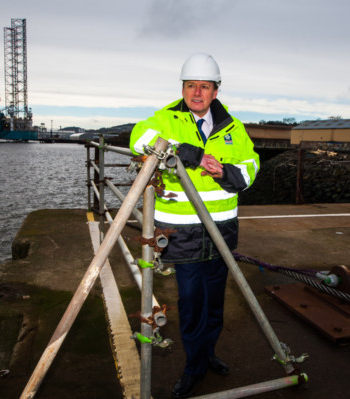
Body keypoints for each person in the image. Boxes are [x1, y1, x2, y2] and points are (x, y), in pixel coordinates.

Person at [130, 53, 260, 398]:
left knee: (215, 302)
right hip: (182, 233)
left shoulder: (234, 128)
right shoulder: (166, 119)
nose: (197, 92)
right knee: (190, 303)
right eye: (191, 86)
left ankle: (208, 354)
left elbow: (250, 167)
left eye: (204, 86)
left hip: (221, 231)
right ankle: (193, 368)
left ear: (215, 91)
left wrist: (225, 173)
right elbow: (139, 139)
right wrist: (190, 152)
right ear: (183, 89)